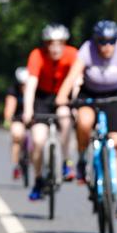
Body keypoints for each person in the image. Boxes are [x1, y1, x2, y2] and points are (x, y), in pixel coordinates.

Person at [54, 20, 117, 219]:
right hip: (89, 96)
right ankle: (81, 159)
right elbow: (72, 77)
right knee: (84, 122)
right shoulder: (87, 50)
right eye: (102, 42)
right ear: (96, 41)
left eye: (111, 42)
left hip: (113, 97)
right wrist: (62, 97)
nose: (107, 47)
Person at [22, 23, 78, 200]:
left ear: (64, 43)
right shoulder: (36, 55)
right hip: (42, 98)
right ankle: (38, 180)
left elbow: (77, 81)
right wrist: (28, 110)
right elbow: (31, 85)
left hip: (63, 96)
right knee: (38, 140)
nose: (55, 48)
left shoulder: (72, 54)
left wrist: (75, 103)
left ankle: (67, 161)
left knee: (65, 119)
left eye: (59, 43)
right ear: (45, 44)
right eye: (51, 43)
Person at [4, 67, 30, 180]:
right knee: (16, 135)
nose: (24, 86)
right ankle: (16, 166)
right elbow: (10, 107)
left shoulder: (36, 88)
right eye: (22, 84)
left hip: (34, 118)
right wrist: (8, 119)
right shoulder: (13, 90)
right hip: (18, 118)